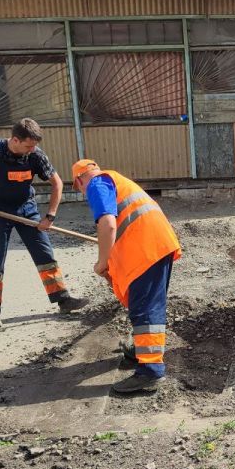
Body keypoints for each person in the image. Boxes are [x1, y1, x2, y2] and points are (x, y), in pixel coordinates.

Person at [0, 118, 88, 329]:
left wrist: (49, 216)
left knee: (45, 255)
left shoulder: (35, 155)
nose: (32, 149)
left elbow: (57, 183)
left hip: (27, 209)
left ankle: (63, 300)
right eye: (28, 145)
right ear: (15, 140)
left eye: (34, 145)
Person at [71, 159, 181, 394]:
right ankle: (141, 352)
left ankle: (150, 372)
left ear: (78, 181)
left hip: (146, 249)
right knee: (142, 303)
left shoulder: (96, 185)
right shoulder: (114, 179)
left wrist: (102, 263)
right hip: (155, 245)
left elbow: (108, 224)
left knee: (145, 308)